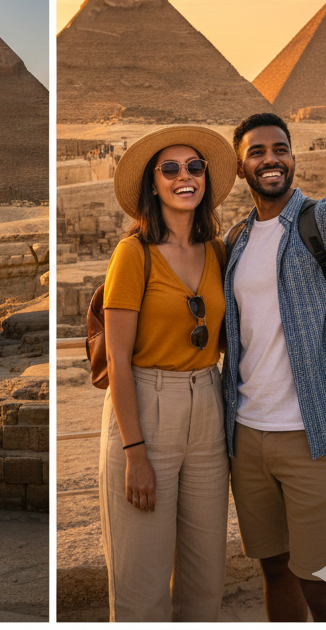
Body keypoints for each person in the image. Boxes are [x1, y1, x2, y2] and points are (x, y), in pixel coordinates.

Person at [223, 88, 326, 622]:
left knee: (325, 578)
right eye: (257, 152)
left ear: (292, 157)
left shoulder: (321, 225)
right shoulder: (236, 241)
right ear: (241, 165)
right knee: (274, 570)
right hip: (247, 436)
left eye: (280, 149)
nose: (271, 159)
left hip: (314, 434)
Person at [99, 126, 236, 621]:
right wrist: (135, 451)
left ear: (206, 179)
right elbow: (117, 358)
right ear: (152, 185)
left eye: (195, 167)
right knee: (142, 583)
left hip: (208, 405)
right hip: (147, 407)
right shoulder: (132, 254)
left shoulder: (219, 252)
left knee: (205, 580)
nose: (185, 177)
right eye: (171, 168)